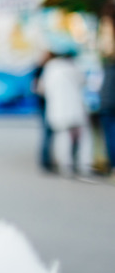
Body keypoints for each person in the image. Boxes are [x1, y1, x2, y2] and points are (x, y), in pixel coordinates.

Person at [37, 39, 93, 178]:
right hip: (75, 108)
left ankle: (65, 165)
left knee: (62, 138)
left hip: (57, 108)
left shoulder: (51, 68)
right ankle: (80, 164)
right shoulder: (76, 67)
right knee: (78, 138)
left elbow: (41, 88)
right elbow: (85, 83)